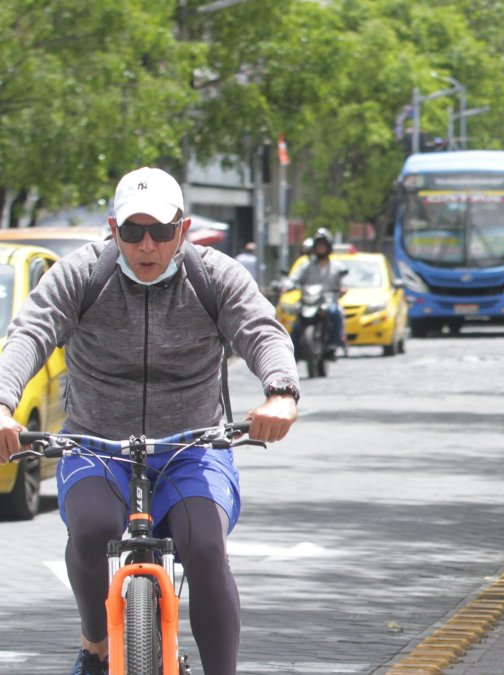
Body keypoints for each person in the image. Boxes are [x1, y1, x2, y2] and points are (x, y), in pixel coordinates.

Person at [0, 167, 299, 675]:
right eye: (133, 231)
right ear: (112, 230)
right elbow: (29, 333)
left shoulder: (214, 275)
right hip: (96, 445)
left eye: (161, 231)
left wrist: (281, 393)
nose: (146, 244)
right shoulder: (81, 274)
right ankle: (96, 643)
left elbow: (261, 330)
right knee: (92, 530)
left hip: (193, 448)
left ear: (182, 230)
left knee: (205, 548)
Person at [288, 228, 346, 355]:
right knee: (297, 324)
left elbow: (344, 281)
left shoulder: (337, 267)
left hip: (327, 299)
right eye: (318, 246)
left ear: (328, 247)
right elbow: (294, 278)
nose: (320, 249)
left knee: (335, 312)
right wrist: (287, 285)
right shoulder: (306, 266)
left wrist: (342, 288)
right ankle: (294, 354)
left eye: (323, 246)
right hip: (309, 300)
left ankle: (334, 343)